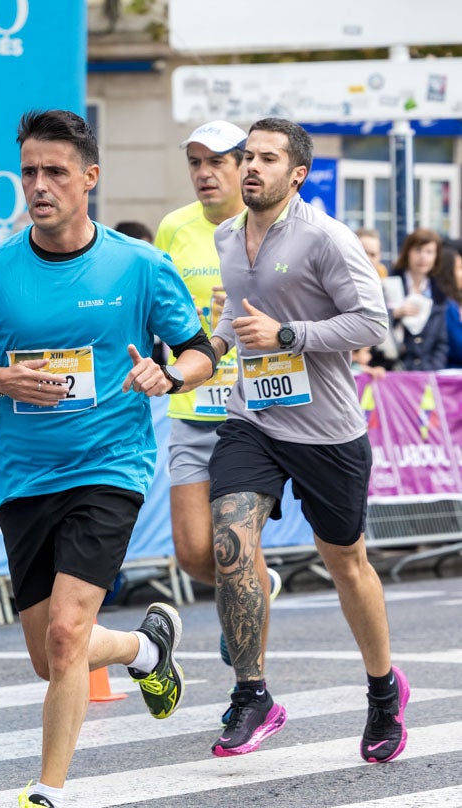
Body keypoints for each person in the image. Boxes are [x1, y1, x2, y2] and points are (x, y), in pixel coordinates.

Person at [0, 109, 215, 808]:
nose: (39, 185)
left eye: (55, 171)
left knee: (63, 635)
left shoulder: (137, 266)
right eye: (28, 172)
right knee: (49, 655)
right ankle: (145, 649)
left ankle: (45, 803)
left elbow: (199, 352)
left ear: (89, 178)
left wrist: (167, 375)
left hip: (109, 466)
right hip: (23, 476)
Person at [207, 117, 407, 763]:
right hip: (254, 419)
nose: (251, 167)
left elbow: (371, 322)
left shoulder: (326, 238)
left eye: (267, 158)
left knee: (346, 563)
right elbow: (232, 316)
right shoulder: (226, 235)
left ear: (296, 175)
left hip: (326, 431)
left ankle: (383, 691)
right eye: (247, 156)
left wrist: (289, 335)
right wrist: (198, 355)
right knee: (230, 539)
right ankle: (252, 694)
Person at [153, 120, 281, 666]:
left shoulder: (271, 225)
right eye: (195, 162)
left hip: (253, 413)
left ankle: (251, 680)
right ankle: (254, 588)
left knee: (235, 551)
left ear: (242, 165)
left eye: (216, 162)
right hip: (192, 405)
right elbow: (158, 308)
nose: (204, 173)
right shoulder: (173, 228)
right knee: (193, 553)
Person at [387, 228, 450, 371]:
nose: (423, 257)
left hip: (428, 371)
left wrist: (431, 369)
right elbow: (376, 324)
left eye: (429, 252)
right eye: (418, 250)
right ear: (407, 252)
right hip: (394, 369)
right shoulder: (392, 283)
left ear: (436, 256)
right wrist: (395, 313)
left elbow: (442, 342)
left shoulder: (439, 291)